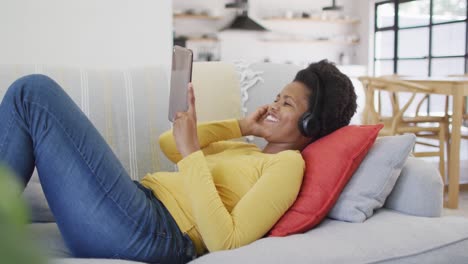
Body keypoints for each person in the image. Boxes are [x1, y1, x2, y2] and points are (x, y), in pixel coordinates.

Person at [0, 59, 356, 263]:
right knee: (29, 99)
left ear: (312, 125)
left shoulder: (287, 166)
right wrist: (240, 125)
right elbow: (170, 143)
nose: (274, 106)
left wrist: (192, 154)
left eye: (288, 104)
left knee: (33, 93)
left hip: (150, 229)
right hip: (135, 207)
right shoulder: (248, 149)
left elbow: (226, 242)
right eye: (277, 97)